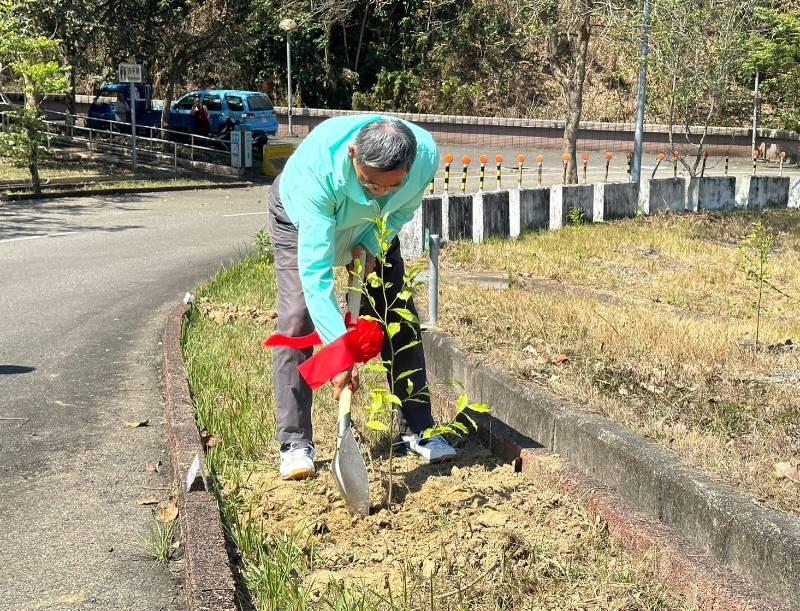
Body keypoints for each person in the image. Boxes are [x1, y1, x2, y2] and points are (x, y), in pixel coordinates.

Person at [268, 115, 458, 480]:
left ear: (410, 166)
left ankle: (418, 427)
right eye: (369, 182)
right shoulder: (318, 174)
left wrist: (371, 245)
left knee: (395, 311)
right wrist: (340, 355)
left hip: (374, 226)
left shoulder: (426, 158)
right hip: (300, 220)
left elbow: (401, 209)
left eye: (391, 185)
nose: (379, 192)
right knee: (298, 316)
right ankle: (295, 443)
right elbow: (317, 276)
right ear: (354, 153)